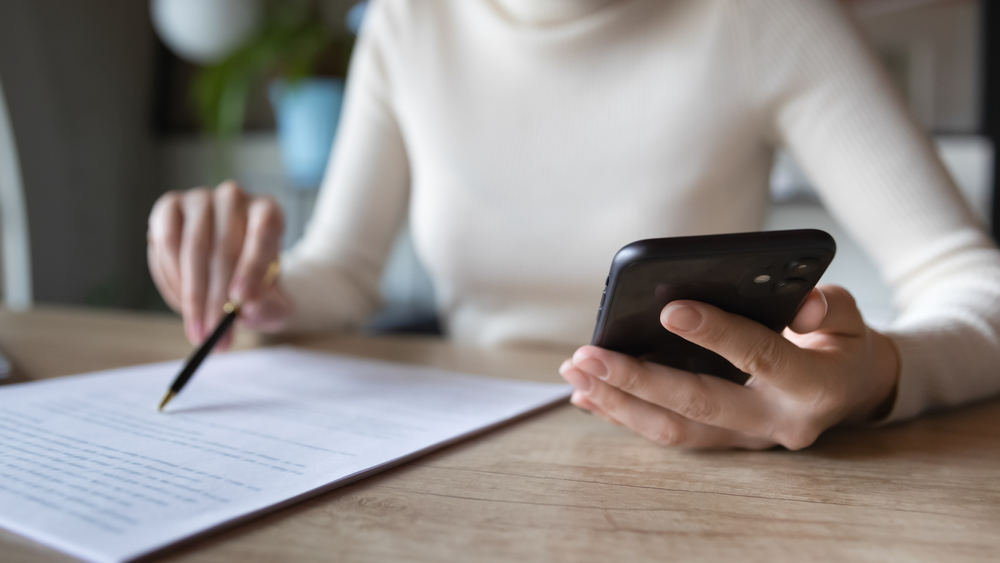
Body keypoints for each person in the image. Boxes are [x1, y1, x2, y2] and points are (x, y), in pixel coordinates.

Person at [147, 0, 1000, 449]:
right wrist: (254, 282)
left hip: (703, 466)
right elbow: (341, 268)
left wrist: (877, 376)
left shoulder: (765, 15)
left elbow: (975, 280)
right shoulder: (408, 20)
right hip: (460, 454)